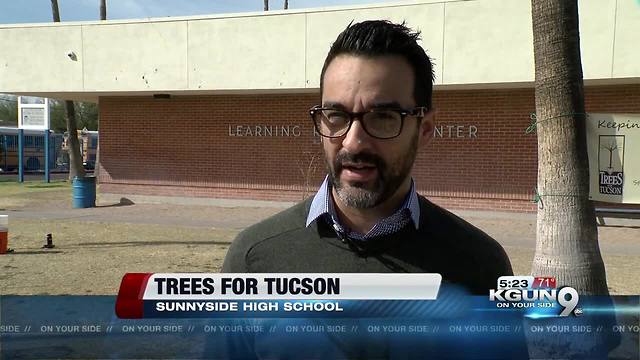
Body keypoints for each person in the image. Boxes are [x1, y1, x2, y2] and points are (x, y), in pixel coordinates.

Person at [222, 20, 513, 295]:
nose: (353, 141)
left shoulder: (480, 265)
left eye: (383, 117)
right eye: (336, 115)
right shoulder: (253, 260)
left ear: (424, 129)